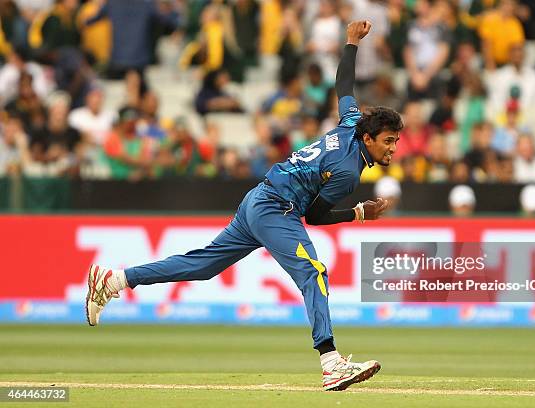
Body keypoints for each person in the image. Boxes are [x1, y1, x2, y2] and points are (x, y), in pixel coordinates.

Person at [85, 21, 403, 392]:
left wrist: (350, 42)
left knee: (202, 265)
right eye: (388, 141)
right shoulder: (349, 172)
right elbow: (313, 216)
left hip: (258, 199)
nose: (393, 148)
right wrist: (359, 213)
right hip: (276, 208)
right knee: (314, 271)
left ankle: (114, 280)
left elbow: (344, 86)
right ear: (369, 138)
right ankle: (331, 363)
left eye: (395, 141)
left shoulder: (351, 122)